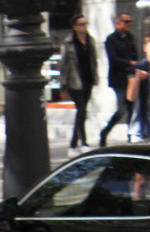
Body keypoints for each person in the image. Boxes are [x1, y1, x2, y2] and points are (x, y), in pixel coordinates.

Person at [99, 12, 142, 147]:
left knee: (131, 107)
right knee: (123, 107)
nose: (129, 24)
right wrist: (130, 63)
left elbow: (135, 55)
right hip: (119, 78)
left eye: (130, 22)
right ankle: (105, 131)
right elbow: (113, 59)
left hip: (132, 76)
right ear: (118, 23)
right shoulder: (111, 39)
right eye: (126, 21)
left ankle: (130, 136)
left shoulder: (130, 37)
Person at [61, 15, 98, 150]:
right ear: (75, 27)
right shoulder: (69, 42)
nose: (85, 26)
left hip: (88, 81)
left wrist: (95, 78)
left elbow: (94, 61)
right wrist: (63, 86)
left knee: (81, 112)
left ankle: (73, 144)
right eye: (81, 24)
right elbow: (64, 65)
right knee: (81, 110)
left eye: (86, 23)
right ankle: (84, 142)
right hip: (74, 82)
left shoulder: (90, 41)